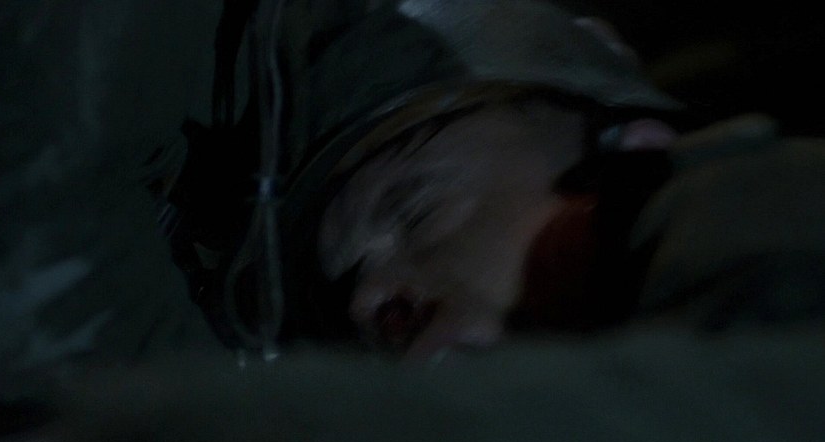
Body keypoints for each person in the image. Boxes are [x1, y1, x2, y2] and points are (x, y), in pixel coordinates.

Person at [160, 0, 825, 361]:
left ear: (635, 153)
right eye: (343, 289)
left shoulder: (768, 212)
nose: (364, 300)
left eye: (416, 211)